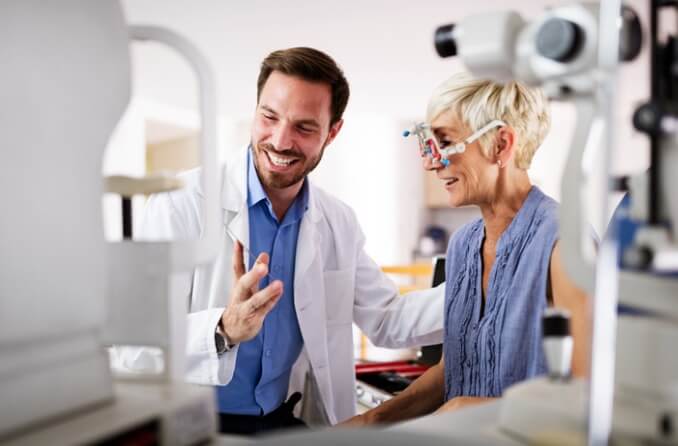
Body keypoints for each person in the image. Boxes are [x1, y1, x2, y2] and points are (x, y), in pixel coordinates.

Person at [133, 47, 444, 435]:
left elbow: (388, 319)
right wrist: (222, 329)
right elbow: (132, 344)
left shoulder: (337, 221)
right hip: (193, 426)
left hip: (283, 422)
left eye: (304, 127)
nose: (280, 140)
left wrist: (492, 287)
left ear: (333, 132)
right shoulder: (179, 203)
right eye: (269, 117)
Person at [341, 73, 590, 426]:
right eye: (428, 145)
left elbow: (586, 396)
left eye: (444, 143)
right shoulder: (463, 245)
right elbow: (454, 368)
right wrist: (371, 421)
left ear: (501, 144)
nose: (430, 163)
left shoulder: (565, 242)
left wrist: (466, 411)